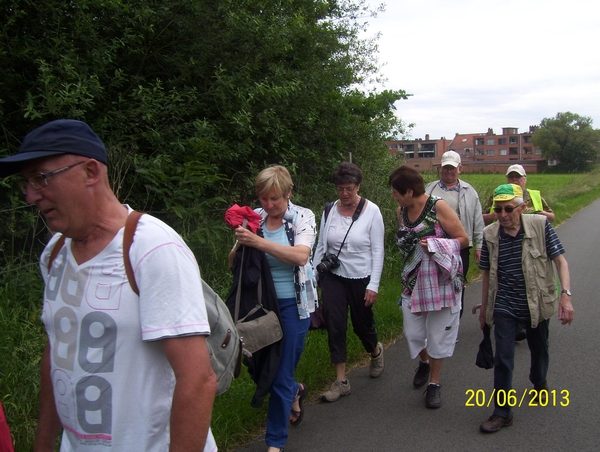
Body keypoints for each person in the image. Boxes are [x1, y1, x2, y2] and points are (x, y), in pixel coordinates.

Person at [0, 120, 218, 451]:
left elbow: (198, 380)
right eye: (26, 183)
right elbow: (59, 349)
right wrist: (43, 441)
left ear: (90, 172)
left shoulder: (151, 248)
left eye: (41, 178)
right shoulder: (54, 253)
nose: (31, 195)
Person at [229, 165, 317, 452]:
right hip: (261, 308)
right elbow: (234, 264)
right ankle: (294, 391)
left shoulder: (303, 217)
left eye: (275, 199)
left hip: (294, 307)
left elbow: (301, 257)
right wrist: (241, 243)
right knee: (258, 365)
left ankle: (275, 442)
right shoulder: (254, 218)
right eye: (264, 198)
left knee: (279, 376)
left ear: (288, 193)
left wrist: (258, 241)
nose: (269, 205)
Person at [478, 183, 574, 433]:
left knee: (539, 348)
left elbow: (560, 262)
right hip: (505, 304)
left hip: (537, 303)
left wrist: (566, 296)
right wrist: (486, 311)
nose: (502, 215)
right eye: (497, 210)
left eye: (508, 209)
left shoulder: (540, 226)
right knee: (503, 358)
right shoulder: (490, 234)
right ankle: (502, 412)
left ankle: (538, 380)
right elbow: (486, 275)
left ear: (522, 208)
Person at [389, 166, 468, 409]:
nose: (393, 196)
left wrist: (435, 244)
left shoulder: (438, 206)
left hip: (440, 281)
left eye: (396, 192)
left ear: (410, 191)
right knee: (413, 333)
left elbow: (463, 239)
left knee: (437, 334)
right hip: (413, 282)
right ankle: (424, 362)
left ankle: (434, 383)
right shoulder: (401, 210)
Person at [314, 162, 385, 403]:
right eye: (340, 188)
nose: (345, 194)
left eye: (350, 188)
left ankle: (375, 350)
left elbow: (378, 250)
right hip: (334, 277)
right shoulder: (329, 210)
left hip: (361, 277)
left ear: (358, 186)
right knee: (335, 324)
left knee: (361, 325)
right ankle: (341, 381)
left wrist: (373, 284)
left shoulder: (372, 211)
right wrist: (314, 276)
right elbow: (322, 246)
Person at [425, 151, 484, 317]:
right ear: (440, 168)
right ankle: (435, 320)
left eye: (452, 168)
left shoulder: (469, 191)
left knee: (456, 283)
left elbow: (477, 220)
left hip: (459, 246)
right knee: (434, 283)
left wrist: (479, 246)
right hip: (433, 246)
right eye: (445, 168)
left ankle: (453, 322)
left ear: (460, 169)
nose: (449, 171)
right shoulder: (429, 189)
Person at [482, 164, 555, 225]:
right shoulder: (497, 196)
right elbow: (480, 219)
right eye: (511, 177)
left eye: (517, 176)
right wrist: (491, 216)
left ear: (525, 179)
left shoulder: (535, 195)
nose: (514, 179)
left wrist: (542, 215)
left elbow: (552, 217)